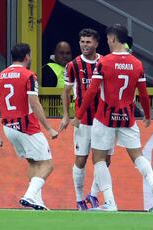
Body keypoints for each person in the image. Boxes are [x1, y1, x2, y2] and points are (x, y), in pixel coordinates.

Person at [72, 24, 153, 212]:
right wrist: (147, 115)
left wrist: (79, 115)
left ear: (113, 39)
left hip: (105, 117)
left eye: (108, 39)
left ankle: (110, 202)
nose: (107, 42)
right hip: (127, 117)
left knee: (98, 159)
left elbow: (92, 91)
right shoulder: (136, 63)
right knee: (138, 156)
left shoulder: (104, 62)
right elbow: (144, 94)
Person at [0, 43, 58, 210]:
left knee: (33, 163)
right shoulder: (29, 76)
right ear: (27, 56)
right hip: (26, 126)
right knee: (48, 164)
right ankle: (28, 196)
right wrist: (49, 128)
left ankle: (37, 203)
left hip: (8, 127)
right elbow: (34, 103)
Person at [59, 28, 111, 211]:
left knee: (105, 161)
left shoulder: (105, 62)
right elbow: (65, 92)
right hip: (83, 122)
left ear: (96, 43)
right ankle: (80, 199)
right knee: (80, 160)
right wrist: (67, 115)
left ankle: (93, 194)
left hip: (104, 120)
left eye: (88, 42)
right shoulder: (73, 65)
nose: (84, 45)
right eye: (82, 41)